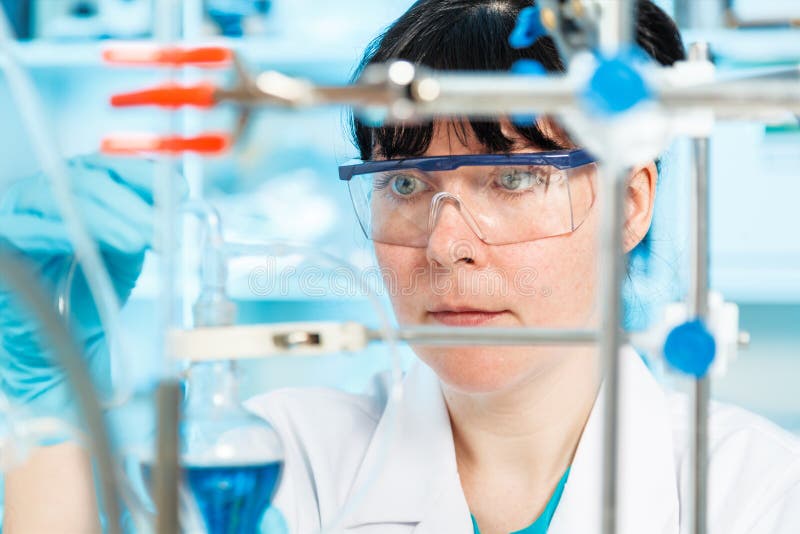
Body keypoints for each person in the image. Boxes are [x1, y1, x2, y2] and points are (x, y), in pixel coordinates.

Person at [2, 1, 799, 533]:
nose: (447, 244)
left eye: (513, 177)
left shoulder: (752, 493)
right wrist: (57, 420)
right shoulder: (281, 462)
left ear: (632, 204)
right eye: (408, 183)